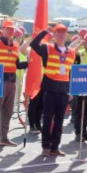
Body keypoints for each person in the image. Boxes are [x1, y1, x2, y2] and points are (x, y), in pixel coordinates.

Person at [30, 23, 75, 156]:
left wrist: (71, 90)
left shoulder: (71, 52)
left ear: (66, 34)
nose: (61, 34)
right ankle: (46, 146)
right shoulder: (47, 48)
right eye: (58, 32)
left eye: (63, 32)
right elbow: (34, 44)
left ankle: (55, 147)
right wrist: (44, 32)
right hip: (49, 90)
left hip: (63, 91)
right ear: (54, 35)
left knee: (60, 120)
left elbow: (70, 72)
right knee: (48, 119)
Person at [0, 19, 28, 148]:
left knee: (8, 112)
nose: (10, 31)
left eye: (12, 29)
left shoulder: (15, 45)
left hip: (12, 81)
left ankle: (4, 137)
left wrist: (30, 63)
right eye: (7, 29)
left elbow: (17, 64)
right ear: (2, 30)